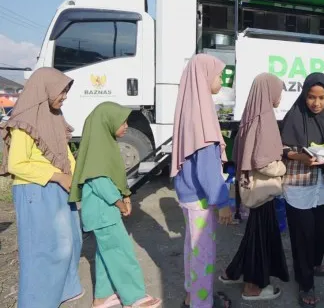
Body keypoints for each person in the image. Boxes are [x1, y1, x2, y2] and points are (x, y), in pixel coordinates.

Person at [0, 68, 83, 307]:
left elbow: (65, 153)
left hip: (57, 188)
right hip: (35, 190)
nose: (65, 96)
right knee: (43, 249)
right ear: (44, 89)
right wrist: (57, 176)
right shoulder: (25, 122)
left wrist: (75, 176)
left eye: (66, 91)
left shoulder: (53, 117)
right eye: (62, 91)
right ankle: (35, 302)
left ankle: (61, 291)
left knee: (69, 243)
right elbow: (17, 164)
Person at [69, 102, 161, 308]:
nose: (127, 125)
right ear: (107, 121)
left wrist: (124, 198)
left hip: (102, 213)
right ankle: (135, 297)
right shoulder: (98, 150)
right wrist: (120, 203)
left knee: (106, 253)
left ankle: (102, 296)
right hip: (104, 213)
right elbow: (101, 182)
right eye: (123, 121)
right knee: (121, 252)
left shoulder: (102, 144)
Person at [219, 73, 290, 301]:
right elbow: (263, 161)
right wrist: (282, 168)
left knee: (254, 235)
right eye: (278, 90)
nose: (280, 96)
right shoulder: (265, 118)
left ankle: (233, 272)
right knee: (261, 238)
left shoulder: (250, 116)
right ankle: (253, 287)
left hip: (251, 188)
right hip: (263, 191)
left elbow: (243, 153)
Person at [171, 54, 233, 308]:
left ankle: (191, 295)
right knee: (203, 254)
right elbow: (208, 169)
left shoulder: (189, 107)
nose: (220, 79)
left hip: (187, 194)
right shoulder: (204, 117)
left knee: (192, 249)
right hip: (201, 198)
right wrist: (224, 202)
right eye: (218, 75)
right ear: (204, 76)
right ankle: (201, 302)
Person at [280, 72, 324, 308]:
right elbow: (281, 148)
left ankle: (314, 263)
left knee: (321, 229)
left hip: (322, 184)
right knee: (302, 234)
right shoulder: (294, 116)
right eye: (312, 97)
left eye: (322, 97)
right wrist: (299, 156)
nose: (316, 103)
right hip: (299, 183)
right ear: (304, 95)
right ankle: (305, 283)